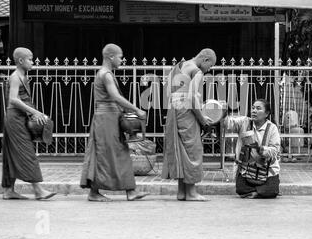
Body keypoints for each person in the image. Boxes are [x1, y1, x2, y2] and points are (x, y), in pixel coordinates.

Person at [80, 44, 149, 202]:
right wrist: (136, 109)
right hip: (105, 121)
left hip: (110, 118)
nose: (121, 60)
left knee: (120, 153)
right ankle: (94, 193)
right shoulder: (106, 74)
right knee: (103, 154)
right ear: (111, 57)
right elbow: (115, 96)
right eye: (120, 56)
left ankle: (131, 191)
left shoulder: (106, 73)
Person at [162, 48, 216, 201]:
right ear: (205, 59)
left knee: (180, 149)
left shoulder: (179, 66)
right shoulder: (196, 71)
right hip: (186, 112)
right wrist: (202, 119)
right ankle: (191, 193)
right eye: (210, 66)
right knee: (192, 149)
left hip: (173, 111)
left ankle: (182, 192)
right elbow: (192, 97)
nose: (208, 70)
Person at [1, 47, 56, 200]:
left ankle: (8, 190)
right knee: (27, 153)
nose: (33, 62)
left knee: (11, 154)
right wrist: (34, 112)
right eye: (30, 59)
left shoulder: (22, 76)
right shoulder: (15, 77)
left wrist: (33, 112)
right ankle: (38, 190)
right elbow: (13, 99)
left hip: (19, 117)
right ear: (20, 60)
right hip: (15, 119)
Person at [234, 99, 281, 199]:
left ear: (266, 113)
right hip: (247, 170)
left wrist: (260, 149)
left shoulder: (272, 128)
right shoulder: (244, 122)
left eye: (258, 108)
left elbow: (275, 151)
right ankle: (260, 192)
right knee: (240, 189)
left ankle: (256, 192)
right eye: (253, 108)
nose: (254, 111)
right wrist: (223, 113)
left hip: (267, 171)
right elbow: (229, 123)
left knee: (272, 190)